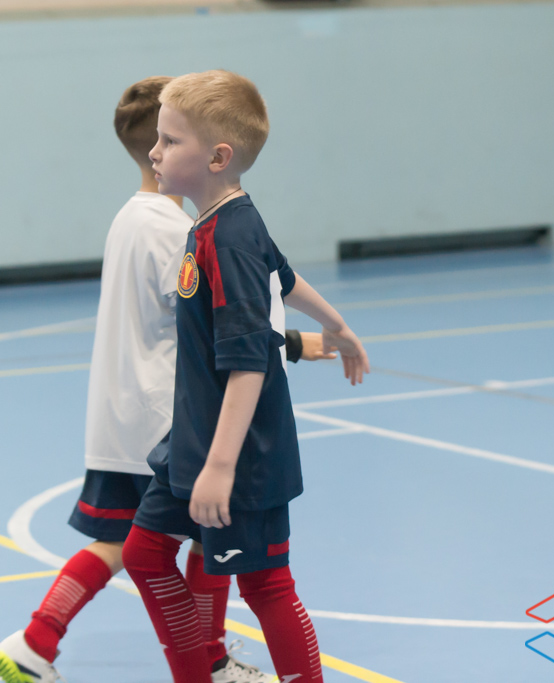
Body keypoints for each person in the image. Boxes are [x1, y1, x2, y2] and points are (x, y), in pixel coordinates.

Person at [0, 76, 332, 683]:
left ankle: (42, 640)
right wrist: (298, 344)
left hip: (122, 408)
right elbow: (225, 328)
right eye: (166, 136)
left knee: (134, 542)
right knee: (190, 540)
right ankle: (207, 660)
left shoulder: (134, 217)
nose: (163, 149)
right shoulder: (179, 231)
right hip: (166, 415)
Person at [121, 69, 369, 683]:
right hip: (194, 440)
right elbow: (281, 275)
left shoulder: (229, 236)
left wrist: (221, 467)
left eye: (170, 141)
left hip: (238, 456)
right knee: (145, 554)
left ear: (217, 157)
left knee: (265, 586)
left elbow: (249, 362)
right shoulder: (214, 223)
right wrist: (336, 325)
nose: (154, 153)